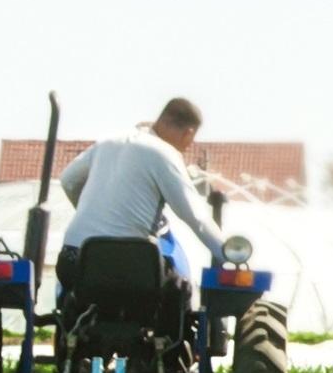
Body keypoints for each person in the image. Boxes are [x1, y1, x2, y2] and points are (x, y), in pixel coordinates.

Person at [55, 97, 224, 288]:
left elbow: (68, 180)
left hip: (74, 259)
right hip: (129, 267)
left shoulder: (108, 142)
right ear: (188, 133)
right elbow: (196, 217)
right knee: (180, 289)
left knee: (73, 297)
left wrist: (91, 210)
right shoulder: (164, 153)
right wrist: (228, 255)